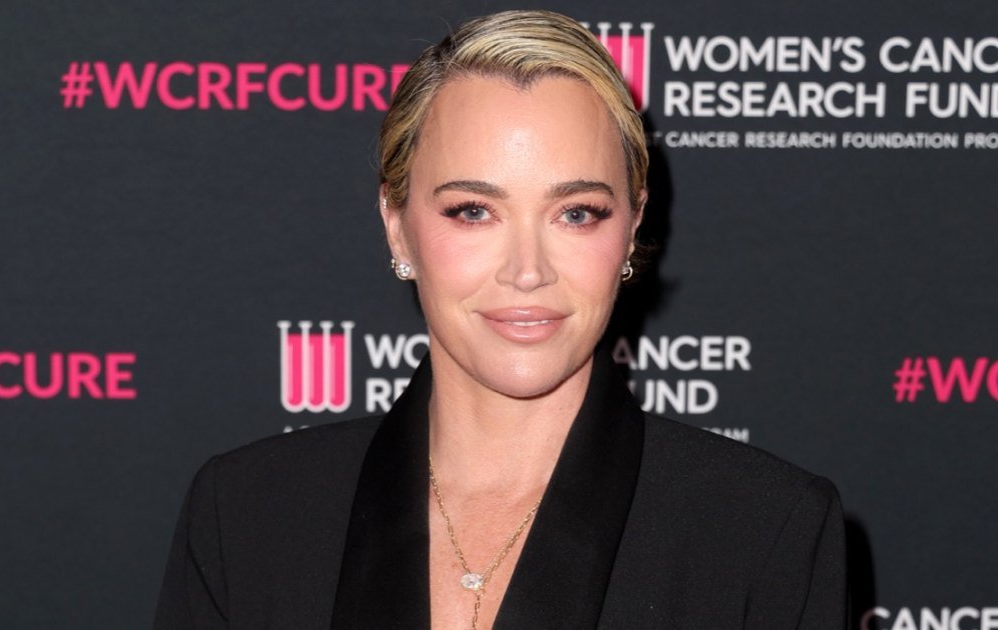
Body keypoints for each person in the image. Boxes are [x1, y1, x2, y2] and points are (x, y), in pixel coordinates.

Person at [154, 9, 846, 629]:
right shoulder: (246, 515)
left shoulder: (764, 531)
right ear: (397, 226)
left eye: (576, 213)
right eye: (473, 211)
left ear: (632, 227)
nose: (527, 270)